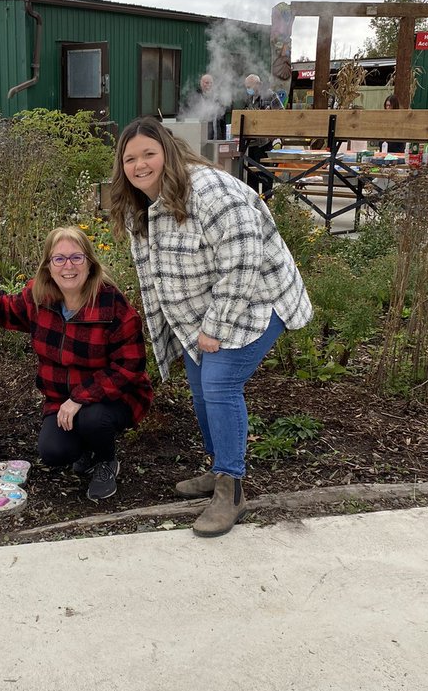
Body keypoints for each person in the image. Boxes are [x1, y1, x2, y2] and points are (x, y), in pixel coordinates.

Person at [110, 117, 313, 537]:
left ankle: (231, 491)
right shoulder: (141, 208)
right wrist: (178, 332)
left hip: (257, 299)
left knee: (219, 385)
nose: (140, 164)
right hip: (205, 313)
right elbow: (156, 277)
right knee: (202, 387)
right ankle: (220, 467)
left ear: (168, 151)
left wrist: (214, 328)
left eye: (149, 153)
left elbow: (243, 263)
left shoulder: (211, 191)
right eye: (130, 158)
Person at [0, 227, 154, 501]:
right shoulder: (39, 295)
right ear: (48, 265)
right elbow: (5, 309)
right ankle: (88, 452)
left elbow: (130, 367)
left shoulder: (111, 303)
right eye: (59, 259)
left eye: (76, 258)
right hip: (62, 398)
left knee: (94, 419)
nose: (68, 266)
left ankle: (106, 460)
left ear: (90, 263)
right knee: (53, 452)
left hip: (116, 398)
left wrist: (81, 397)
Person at [241, 73, 283, 195]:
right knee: (251, 175)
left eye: (249, 86)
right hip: (251, 143)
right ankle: (254, 201)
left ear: (258, 84)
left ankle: (267, 201)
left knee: (266, 175)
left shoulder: (270, 95)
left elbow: (281, 115)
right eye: (246, 87)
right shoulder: (248, 98)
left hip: (265, 142)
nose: (248, 89)